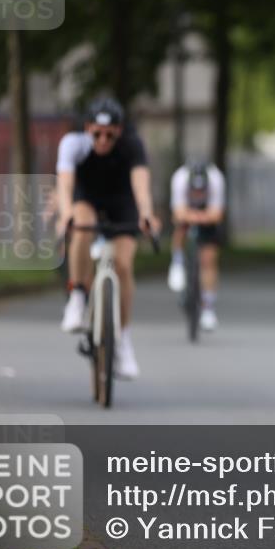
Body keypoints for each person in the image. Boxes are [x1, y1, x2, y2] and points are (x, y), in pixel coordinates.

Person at [56, 98, 160, 380]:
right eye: (97, 134)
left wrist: (146, 213)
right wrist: (66, 213)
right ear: (87, 128)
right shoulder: (73, 144)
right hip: (87, 198)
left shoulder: (132, 145)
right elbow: (65, 183)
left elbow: (140, 184)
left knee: (123, 265)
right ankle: (77, 296)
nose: (103, 140)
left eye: (109, 135)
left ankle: (123, 341)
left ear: (119, 131)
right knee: (82, 226)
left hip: (122, 202)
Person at [168, 160, 226, 330]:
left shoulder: (216, 180)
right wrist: (193, 217)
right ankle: (177, 262)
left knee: (209, 259)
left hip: (207, 214)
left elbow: (217, 214)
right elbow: (178, 213)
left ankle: (208, 307)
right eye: (195, 191)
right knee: (180, 229)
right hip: (188, 212)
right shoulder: (179, 179)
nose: (198, 195)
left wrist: (200, 217)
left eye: (201, 191)